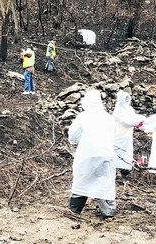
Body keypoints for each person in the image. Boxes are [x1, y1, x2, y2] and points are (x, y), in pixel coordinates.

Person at [68, 90, 117, 218]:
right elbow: (114, 136)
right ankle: (108, 211)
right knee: (105, 183)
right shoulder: (109, 118)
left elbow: (73, 135)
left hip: (87, 154)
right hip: (106, 155)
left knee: (81, 181)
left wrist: (80, 140)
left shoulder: (83, 116)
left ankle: (75, 209)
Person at [112, 90, 146, 177]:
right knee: (118, 151)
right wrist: (141, 119)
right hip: (119, 136)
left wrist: (141, 122)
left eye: (128, 98)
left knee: (127, 152)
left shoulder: (130, 109)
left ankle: (125, 170)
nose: (127, 101)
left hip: (127, 136)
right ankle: (116, 170)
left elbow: (133, 118)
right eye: (125, 99)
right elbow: (128, 122)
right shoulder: (118, 112)